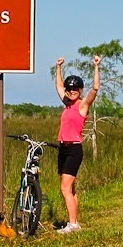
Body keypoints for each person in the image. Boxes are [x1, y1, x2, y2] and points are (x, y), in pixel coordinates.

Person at [54, 55, 101, 233]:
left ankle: (72, 224)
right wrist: (58, 67)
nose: (72, 91)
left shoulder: (82, 106)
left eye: (75, 89)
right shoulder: (66, 103)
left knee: (64, 188)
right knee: (71, 189)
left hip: (74, 149)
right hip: (63, 148)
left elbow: (95, 89)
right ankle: (75, 222)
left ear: (80, 90)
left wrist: (96, 67)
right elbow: (58, 85)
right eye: (69, 89)